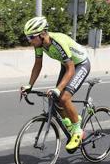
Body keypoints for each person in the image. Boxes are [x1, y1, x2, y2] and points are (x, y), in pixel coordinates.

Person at [20, 16, 91, 152]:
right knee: (55, 99)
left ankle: (77, 131)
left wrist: (58, 89)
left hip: (80, 64)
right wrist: (30, 85)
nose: (29, 41)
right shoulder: (39, 44)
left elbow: (71, 69)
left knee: (63, 97)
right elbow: (38, 64)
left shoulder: (57, 41)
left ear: (42, 34)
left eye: (31, 37)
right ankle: (74, 119)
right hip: (67, 66)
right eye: (27, 38)